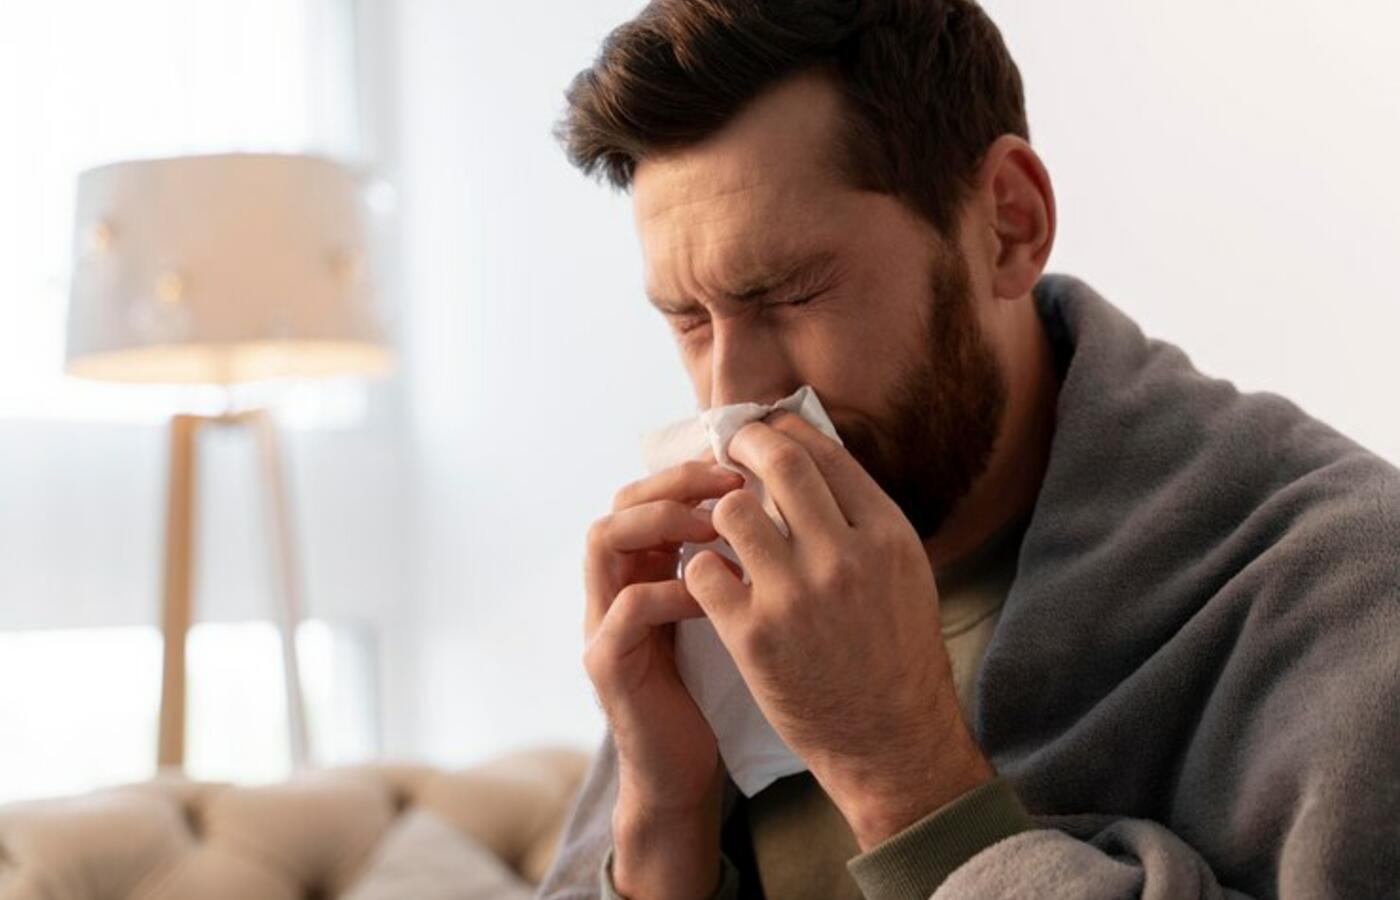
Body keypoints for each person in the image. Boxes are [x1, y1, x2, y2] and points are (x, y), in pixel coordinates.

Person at [536, 1, 1400, 898]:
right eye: (688, 319)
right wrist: (661, 822)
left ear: (1009, 226)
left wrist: (905, 782)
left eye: (791, 294)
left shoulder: (1349, 593)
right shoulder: (720, 596)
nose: (731, 398)